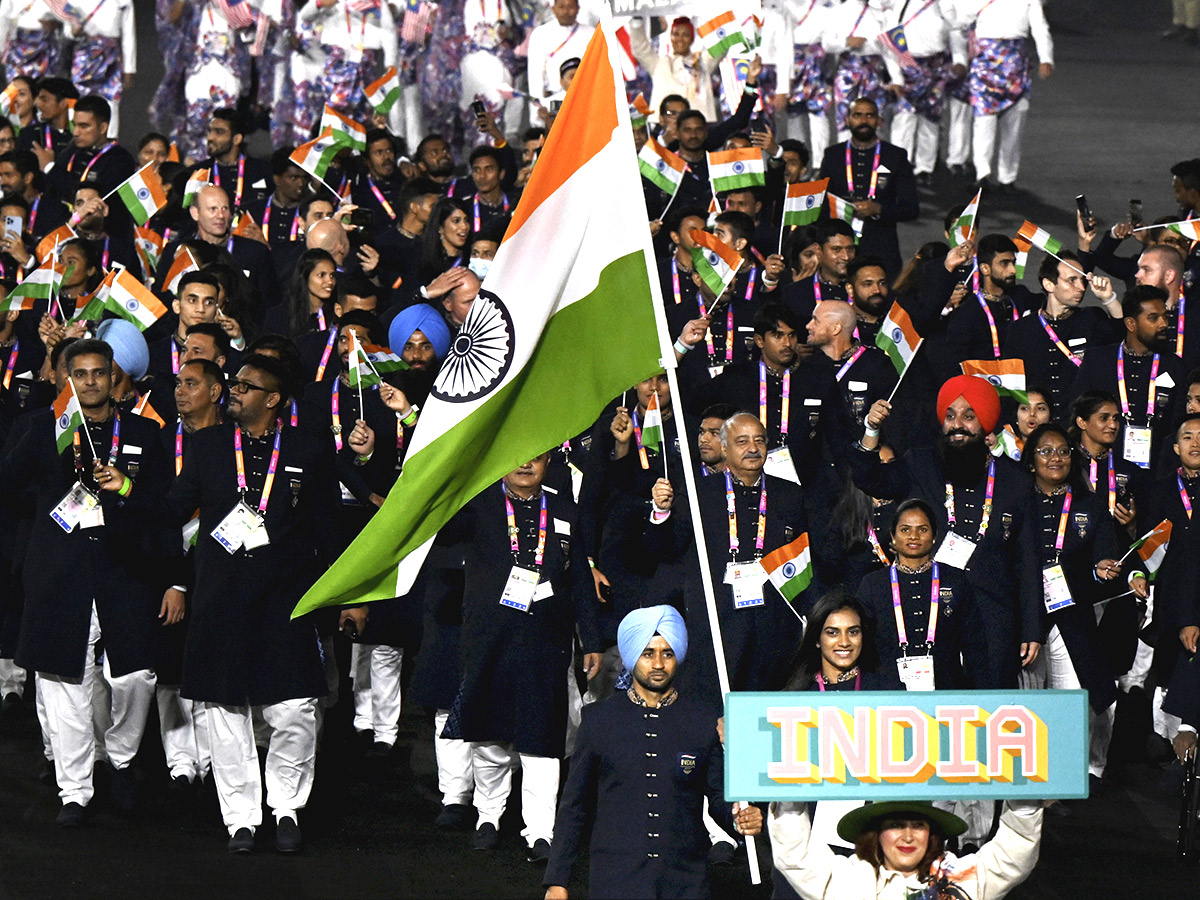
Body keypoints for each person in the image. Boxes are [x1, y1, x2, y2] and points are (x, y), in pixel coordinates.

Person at [101, 353, 341, 853]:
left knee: (294, 709)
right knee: (226, 712)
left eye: (246, 386)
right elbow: (170, 509)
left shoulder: (307, 448)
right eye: (234, 383)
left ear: (273, 400)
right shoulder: (208, 447)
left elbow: (328, 529)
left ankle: (287, 807)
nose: (234, 390)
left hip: (287, 599)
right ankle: (241, 820)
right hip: (222, 598)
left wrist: (347, 597)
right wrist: (125, 488)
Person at [1, 339, 173, 826]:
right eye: (80, 373)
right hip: (60, 574)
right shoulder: (42, 428)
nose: (91, 382)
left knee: (136, 677)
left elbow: (165, 508)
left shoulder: (142, 430)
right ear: (64, 378)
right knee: (62, 682)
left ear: (114, 377)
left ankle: (120, 760)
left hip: (126, 571)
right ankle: (74, 790)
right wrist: (45, 433)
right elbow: (8, 485)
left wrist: (171, 579)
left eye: (99, 373)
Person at [439, 452, 602, 861]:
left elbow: (580, 579)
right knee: (489, 734)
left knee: (542, 739)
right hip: (488, 640)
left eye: (536, 458)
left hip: (546, 642)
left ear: (549, 462)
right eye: (516, 456)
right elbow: (440, 533)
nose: (525, 464)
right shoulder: (478, 503)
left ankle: (541, 831)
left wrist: (593, 640)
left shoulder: (565, 508)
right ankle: (488, 817)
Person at [542, 605, 762, 900]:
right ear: (633, 657)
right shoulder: (598, 720)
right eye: (648, 653)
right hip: (615, 879)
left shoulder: (702, 720)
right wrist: (558, 880)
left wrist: (738, 818)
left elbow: (718, 796)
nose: (658, 663)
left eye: (667, 653)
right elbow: (574, 807)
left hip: (685, 880)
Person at [855, 375, 1041, 689]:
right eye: (950, 416)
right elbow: (868, 478)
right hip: (928, 615)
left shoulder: (1016, 481)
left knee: (989, 710)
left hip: (992, 617)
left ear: (985, 424)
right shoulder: (921, 463)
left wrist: (1032, 629)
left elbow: (1028, 561)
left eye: (969, 417)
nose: (958, 425)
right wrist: (872, 430)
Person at [1019, 422, 1136, 783]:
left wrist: (1103, 566)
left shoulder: (1090, 503)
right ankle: (1027, 773)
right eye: (1046, 451)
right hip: (1024, 614)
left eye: (1063, 451)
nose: (1056, 457)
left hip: (1071, 613)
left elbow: (1104, 553)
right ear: (1031, 461)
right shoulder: (1017, 499)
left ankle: (1066, 776)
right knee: (1027, 700)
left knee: (1072, 701)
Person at [770, 797, 1044, 899]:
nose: (908, 836)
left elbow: (1013, 854)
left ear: (931, 834)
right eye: (897, 825)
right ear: (876, 834)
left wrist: (1025, 799)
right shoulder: (848, 879)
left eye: (918, 825)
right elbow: (796, 856)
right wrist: (788, 797)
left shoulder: (958, 877)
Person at [857, 498, 980, 690]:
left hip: (948, 688)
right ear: (893, 537)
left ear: (934, 536)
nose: (913, 536)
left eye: (922, 529)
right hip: (887, 689)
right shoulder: (873, 583)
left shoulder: (955, 579)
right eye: (905, 530)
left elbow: (974, 643)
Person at [1068, 286, 1184, 475]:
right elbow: (1075, 412)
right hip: (1102, 469)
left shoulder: (1175, 367)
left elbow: (1177, 426)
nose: (1164, 324)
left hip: (1156, 472)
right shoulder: (1098, 360)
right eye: (1153, 318)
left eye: (1166, 317)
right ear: (1131, 324)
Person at [1003, 251, 1123, 416]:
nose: (1081, 288)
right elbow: (1010, 386)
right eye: (1072, 280)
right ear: (1049, 284)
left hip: (1078, 423)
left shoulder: (1091, 318)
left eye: (1082, 280)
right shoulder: (1021, 329)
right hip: (1037, 424)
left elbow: (1123, 336)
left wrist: (1109, 299)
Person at [817, 98, 918, 280]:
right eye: (858, 115)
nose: (863, 121)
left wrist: (879, 209)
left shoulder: (895, 156)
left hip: (881, 248)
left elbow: (911, 208)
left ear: (878, 120)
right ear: (847, 120)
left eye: (869, 115)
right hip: (840, 249)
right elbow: (821, 202)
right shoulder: (833, 155)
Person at [960, 0, 1054, 192]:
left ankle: (1007, 178)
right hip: (986, 62)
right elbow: (960, 20)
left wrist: (1046, 58)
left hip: (1015, 64)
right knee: (983, 121)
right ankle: (982, 175)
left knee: (1015, 122)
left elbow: (1040, 27)